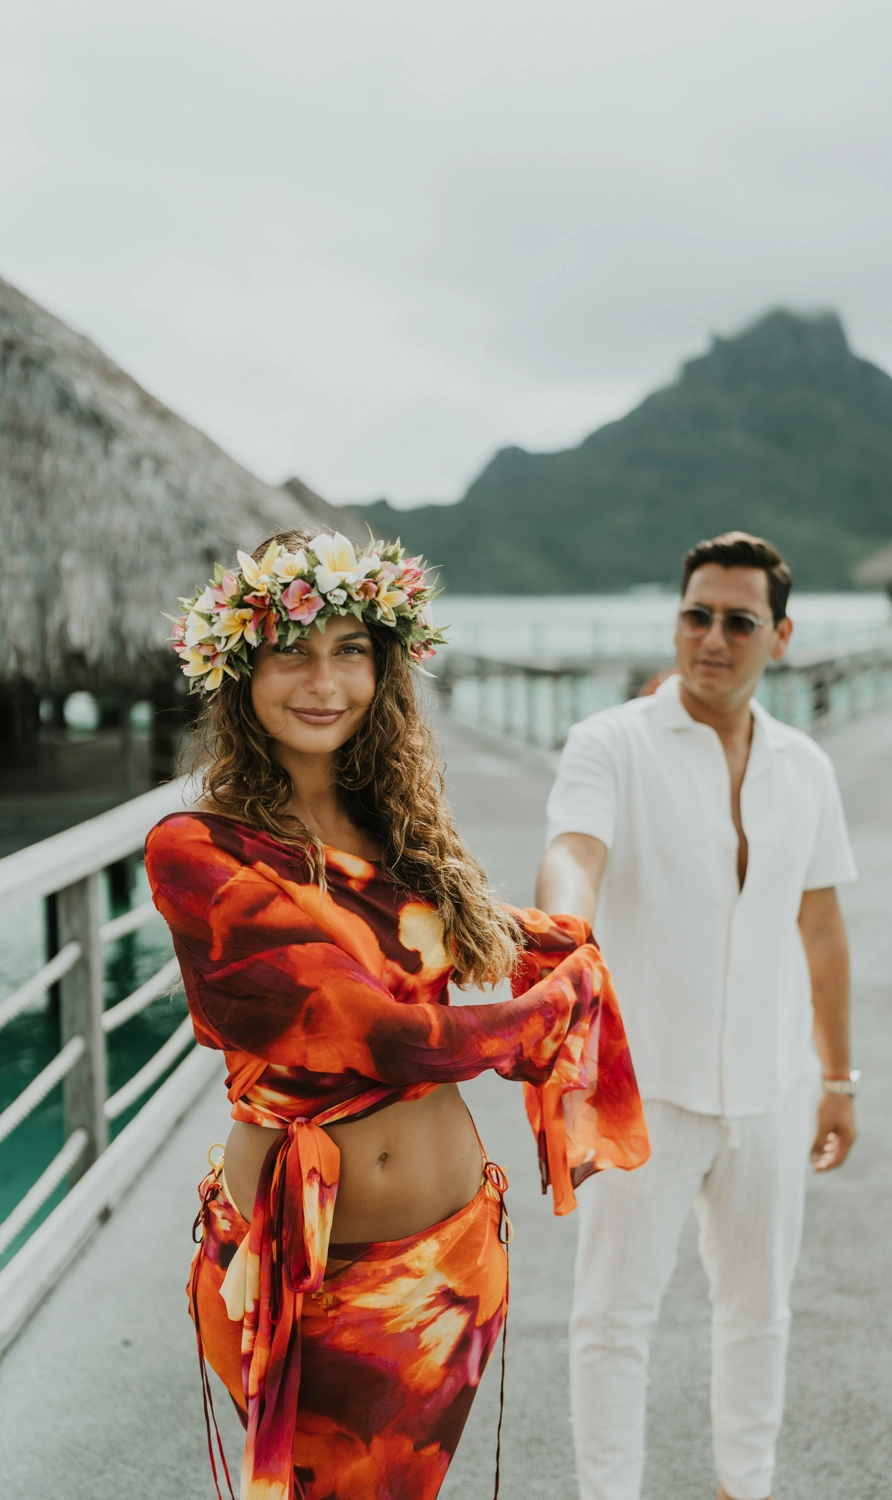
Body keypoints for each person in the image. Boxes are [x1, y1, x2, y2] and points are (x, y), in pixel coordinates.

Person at [144, 529, 649, 1500]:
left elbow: (444, 934)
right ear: (239, 665)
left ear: (385, 667)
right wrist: (532, 1023)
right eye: (293, 648)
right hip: (309, 1269)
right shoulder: (196, 849)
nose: (323, 680)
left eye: (351, 651)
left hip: (455, 1257)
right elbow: (359, 1024)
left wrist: (560, 941)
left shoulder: (396, 827)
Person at [536, 531, 858, 1500]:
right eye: (694, 614)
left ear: (781, 636)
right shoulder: (609, 745)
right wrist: (563, 931)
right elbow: (575, 852)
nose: (711, 637)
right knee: (613, 1320)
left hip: (771, 1085)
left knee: (758, 1311)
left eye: (736, 620)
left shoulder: (805, 767)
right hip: (645, 1087)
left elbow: (822, 924)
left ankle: (743, 1487)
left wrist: (839, 1076)